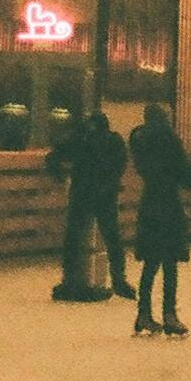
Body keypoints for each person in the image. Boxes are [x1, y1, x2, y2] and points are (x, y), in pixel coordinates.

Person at [126, 102, 191, 337]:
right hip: (169, 206)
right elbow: (185, 178)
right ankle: (169, 315)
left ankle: (143, 313)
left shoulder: (140, 143)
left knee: (150, 264)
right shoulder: (169, 141)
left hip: (149, 205)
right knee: (170, 264)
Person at [44, 108, 133, 302]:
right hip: (105, 195)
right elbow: (120, 164)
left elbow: (54, 156)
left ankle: (70, 279)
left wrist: (59, 173)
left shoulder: (81, 139)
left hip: (82, 194)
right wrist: (111, 183)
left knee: (73, 237)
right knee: (112, 238)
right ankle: (119, 279)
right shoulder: (113, 140)